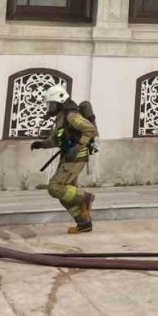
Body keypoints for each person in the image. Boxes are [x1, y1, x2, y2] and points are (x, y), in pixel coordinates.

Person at [30, 83, 98, 234]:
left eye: (51, 104)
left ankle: (86, 197)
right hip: (68, 156)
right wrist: (42, 144)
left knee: (55, 187)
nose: (49, 107)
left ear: (59, 101)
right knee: (66, 195)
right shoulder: (62, 117)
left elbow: (90, 129)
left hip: (76, 156)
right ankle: (83, 223)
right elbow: (57, 140)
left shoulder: (72, 116)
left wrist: (79, 146)